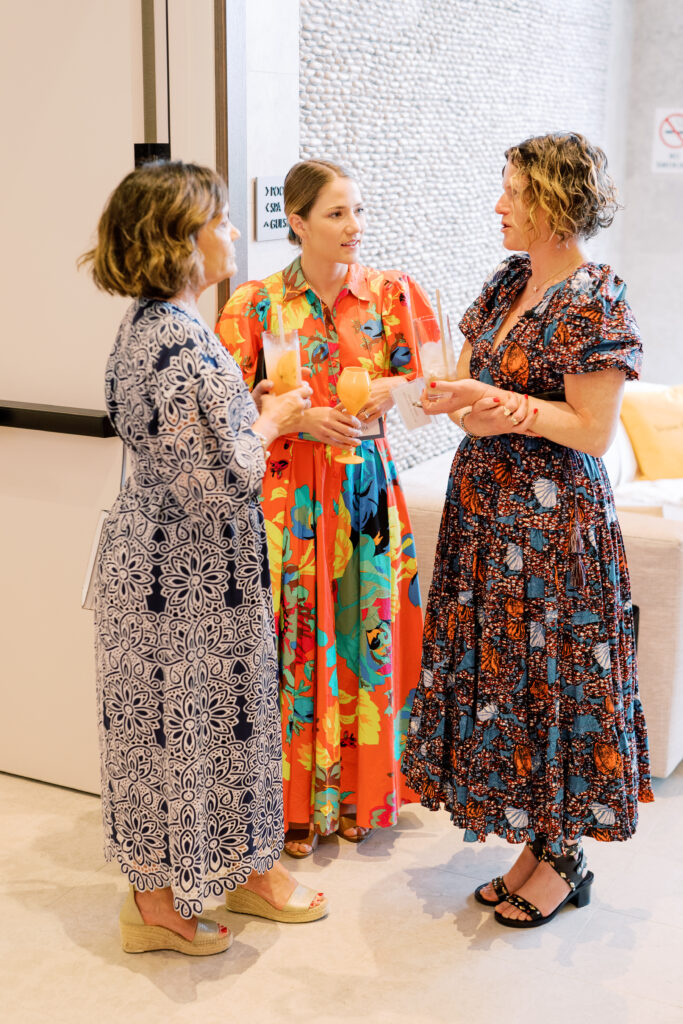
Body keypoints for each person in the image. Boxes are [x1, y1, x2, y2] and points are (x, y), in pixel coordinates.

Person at [401, 132, 654, 928]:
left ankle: (562, 859)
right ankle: (534, 848)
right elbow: (477, 394)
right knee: (505, 683)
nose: (499, 203)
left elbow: (591, 432)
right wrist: (453, 398)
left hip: (552, 530)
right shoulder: (508, 282)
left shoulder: (594, 298)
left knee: (549, 683)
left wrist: (503, 404)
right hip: (484, 517)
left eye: (512, 190)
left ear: (550, 202)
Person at [81, 159, 325, 957]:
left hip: (162, 566)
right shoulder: (183, 341)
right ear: (180, 241)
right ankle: (156, 908)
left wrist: (246, 417)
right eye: (218, 222)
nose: (230, 234)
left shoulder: (146, 327)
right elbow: (222, 482)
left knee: (180, 733)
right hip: (182, 577)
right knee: (173, 736)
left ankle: (226, 873)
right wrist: (276, 418)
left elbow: (184, 450)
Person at [216, 159, 431, 856]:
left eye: (358, 211)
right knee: (290, 642)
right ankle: (293, 806)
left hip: (366, 488)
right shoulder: (254, 304)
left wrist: (387, 392)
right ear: (298, 222)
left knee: (365, 635)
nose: (354, 227)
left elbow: (431, 385)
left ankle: (362, 798)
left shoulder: (390, 295)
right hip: (288, 491)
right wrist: (292, 419)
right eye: (337, 214)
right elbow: (224, 404)